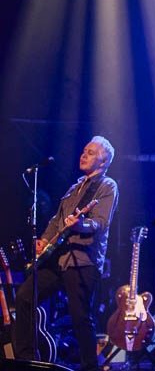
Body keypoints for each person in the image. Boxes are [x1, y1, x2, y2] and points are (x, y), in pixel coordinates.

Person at [14, 136, 119, 371]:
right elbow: (56, 220)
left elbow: (100, 222)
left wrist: (81, 225)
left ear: (103, 161)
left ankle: (89, 367)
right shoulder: (74, 187)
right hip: (58, 259)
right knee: (24, 297)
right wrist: (43, 240)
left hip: (83, 262)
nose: (83, 155)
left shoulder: (107, 186)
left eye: (90, 153)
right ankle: (25, 360)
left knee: (80, 318)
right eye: (84, 151)